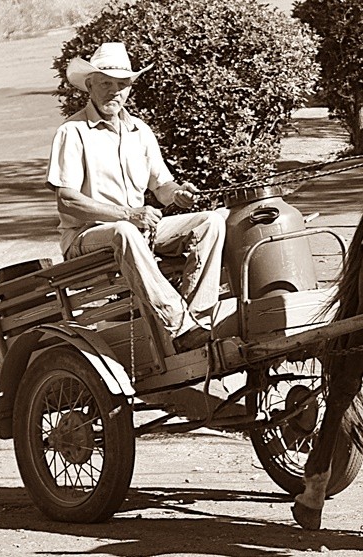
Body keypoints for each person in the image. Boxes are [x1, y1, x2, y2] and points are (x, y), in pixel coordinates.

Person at [46, 42, 225, 352]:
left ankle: (197, 319)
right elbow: (67, 201)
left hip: (138, 232)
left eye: (122, 84)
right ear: (90, 85)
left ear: (130, 88)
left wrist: (179, 194)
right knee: (125, 231)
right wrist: (129, 214)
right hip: (86, 238)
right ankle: (178, 323)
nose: (114, 92)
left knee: (210, 222)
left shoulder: (140, 131)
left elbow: (162, 185)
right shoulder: (72, 133)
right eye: (106, 83)